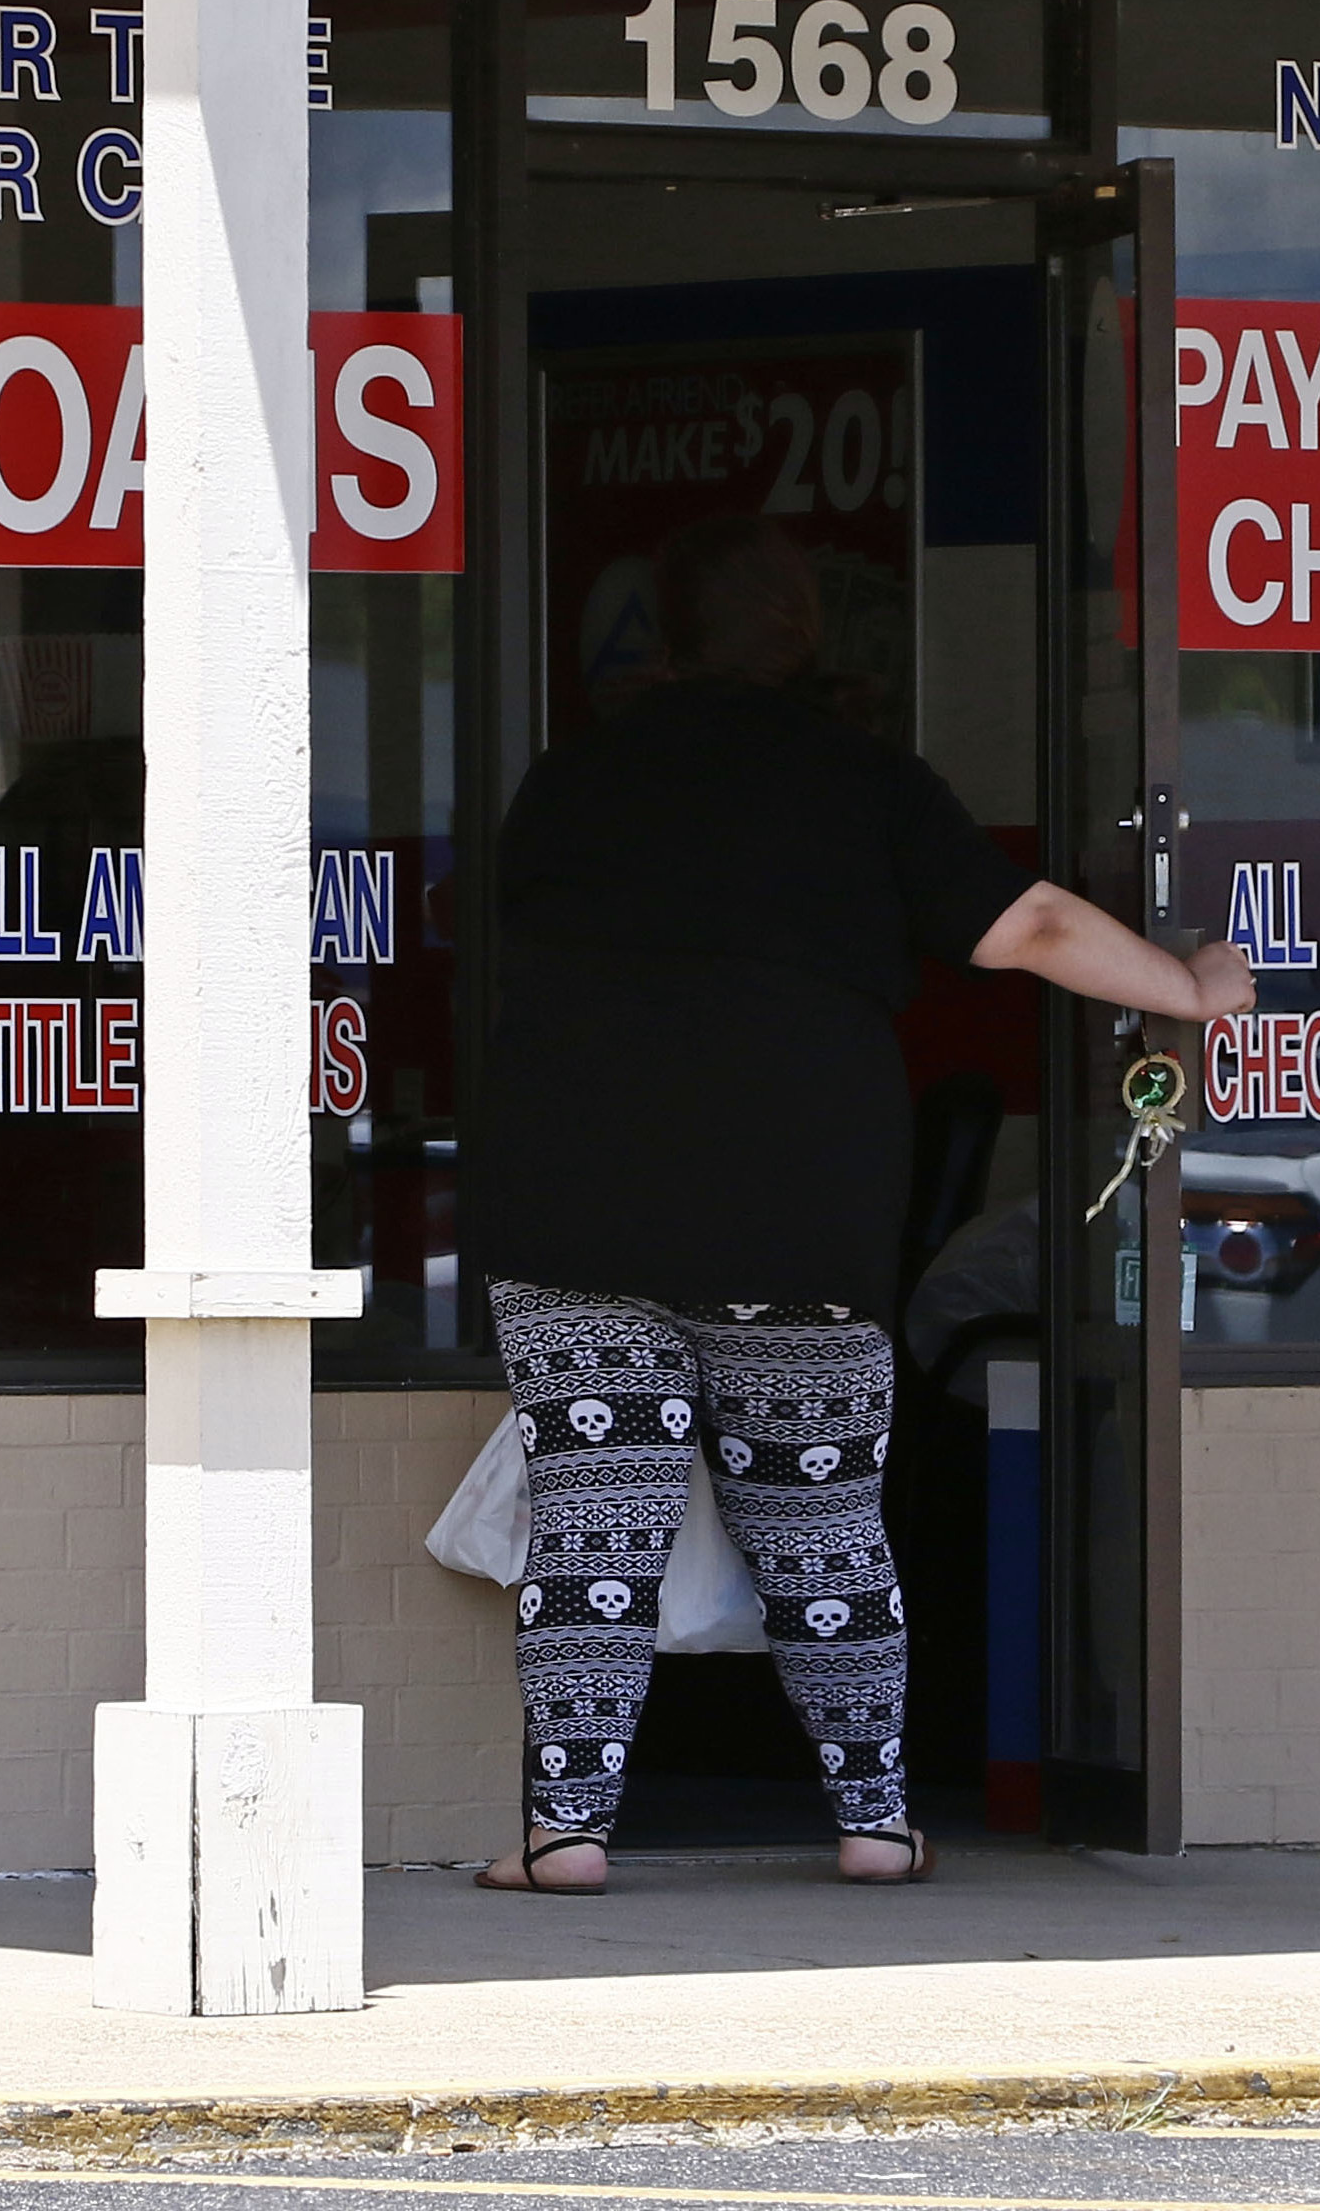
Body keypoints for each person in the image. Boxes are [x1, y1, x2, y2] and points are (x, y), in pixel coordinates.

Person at [468, 515, 1253, 1893]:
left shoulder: (572, 776)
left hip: (576, 1201)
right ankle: (874, 1824)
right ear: (806, 635)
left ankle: (566, 1837)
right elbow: (1035, 931)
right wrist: (1188, 988)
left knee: (596, 1528)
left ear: (667, 626)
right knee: (821, 1526)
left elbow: (497, 945)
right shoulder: (863, 779)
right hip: (798, 1209)